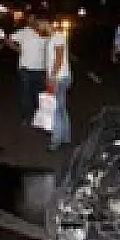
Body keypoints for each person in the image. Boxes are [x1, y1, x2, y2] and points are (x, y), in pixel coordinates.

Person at [7, 14, 46, 125]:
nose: (32, 21)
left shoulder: (43, 31)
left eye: (34, 19)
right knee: (25, 94)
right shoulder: (23, 32)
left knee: (39, 95)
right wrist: (18, 49)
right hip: (25, 69)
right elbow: (9, 39)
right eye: (30, 19)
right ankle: (26, 117)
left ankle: (39, 118)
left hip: (40, 69)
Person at [41, 19, 72, 151]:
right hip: (60, 77)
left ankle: (56, 141)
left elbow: (59, 58)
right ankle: (65, 137)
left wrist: (52, 76)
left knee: (56, 110)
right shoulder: (52, 37)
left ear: (45, 23)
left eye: (39, 24)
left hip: (59, 78)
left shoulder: (57, 36)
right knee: (61, 108)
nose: (39, 28)